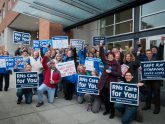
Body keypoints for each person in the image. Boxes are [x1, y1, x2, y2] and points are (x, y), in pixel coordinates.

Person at [97, 42, 121, 119]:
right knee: (105, 98)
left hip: (112, 84)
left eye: (111, 56)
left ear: (113, 57)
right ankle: (107, 110)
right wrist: (101, 47)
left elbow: (119, 74)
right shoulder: (105, 62)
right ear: (107, 57)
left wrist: (111, 72)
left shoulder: (117, 64)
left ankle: (112, 112)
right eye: (109, 56)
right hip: (104, 83)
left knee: (111, 99)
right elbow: (101, 55)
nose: (110, 57)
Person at [142, 49, 161, 114]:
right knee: (148, 93)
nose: (148, 54)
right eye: (147, 53)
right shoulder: (145, 60)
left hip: (156, 81)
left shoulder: (156, 59)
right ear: (146, 54)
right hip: (148, 80)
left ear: (152, 54)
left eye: (149, 53)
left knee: (156, 94)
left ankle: (157, 108)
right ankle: (147, 105)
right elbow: (143, 69)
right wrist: (141, 68)